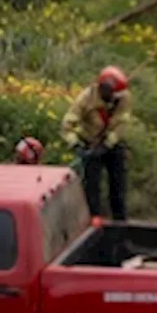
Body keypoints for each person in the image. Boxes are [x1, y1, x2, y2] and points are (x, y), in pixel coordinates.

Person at [62, 66, 131, 221]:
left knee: (118, 185)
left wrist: (107, 145)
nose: (116, 98)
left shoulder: (124, 97)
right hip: (90, 144)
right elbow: (67, 126)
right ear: (103, 88)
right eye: (113, 94)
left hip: (113, 144)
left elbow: (122, 124)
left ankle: (120, 222)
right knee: (92, 187)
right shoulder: (85, 100)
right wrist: (76, 146)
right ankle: (94, 220)